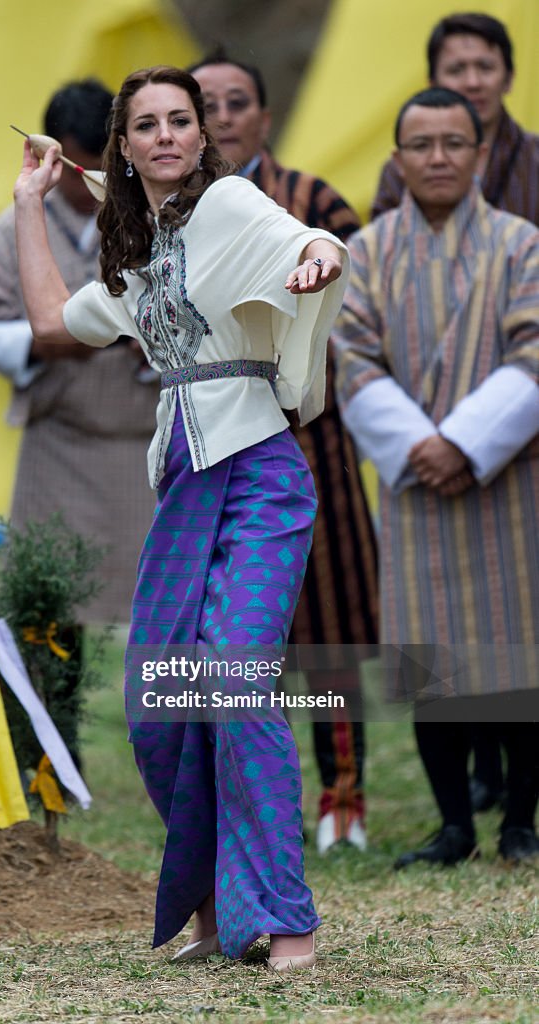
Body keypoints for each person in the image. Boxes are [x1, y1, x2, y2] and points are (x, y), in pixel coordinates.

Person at [12, 65, 349, 970]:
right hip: (183, 484)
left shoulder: (232, 208)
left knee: (235, 682)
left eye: (180, 120)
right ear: (124, 145)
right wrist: (26, 203)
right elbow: (49, 320)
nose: (165, 135)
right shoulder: (134, 253)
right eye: (146, 124)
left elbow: (306, 238)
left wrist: (320, 259)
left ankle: (287, 919)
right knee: (159, 705)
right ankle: (209, 906)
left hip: (262, 475)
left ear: (203, 137)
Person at [332, 86, 539, 867]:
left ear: (481, 155)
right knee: (430, 657)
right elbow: (349, 356)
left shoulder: (522, 244)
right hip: (415, 481)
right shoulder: (369, 250)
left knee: (520, 653)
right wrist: (423, 446)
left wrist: (465, 442)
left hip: (509, 476)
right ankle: (453, 824)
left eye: (455, 142)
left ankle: (520, 820)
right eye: (422, 145)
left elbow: (536, 351)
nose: (439, 157)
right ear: (398, 159)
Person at [189, 52, 378, 855]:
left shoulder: (313, 199)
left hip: (309, 440)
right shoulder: (174, 213)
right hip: (213, 444)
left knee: (328, 620)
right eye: (209, 105)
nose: (225, 117)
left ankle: (344, 794)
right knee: (228, 626)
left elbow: (357, 301)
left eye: (239, 102)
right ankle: (248, 802)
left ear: (265, 117)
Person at [0, 80, 158, 646]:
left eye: (94, 161)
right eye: (69, 162)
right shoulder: (18, 222)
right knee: (49, 618)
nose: (82, 177)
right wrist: (59, 337)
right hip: (59, 444)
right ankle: (53, 734)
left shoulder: (154, 216)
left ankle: (164, 730)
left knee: (162, 613)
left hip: (150, 443)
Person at [371, 12, 539, 225]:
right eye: (456, 70)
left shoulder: (534, 159)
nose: (473, 82)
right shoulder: (404, 167)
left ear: (509, 79)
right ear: (433, 83)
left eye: (485, 68)